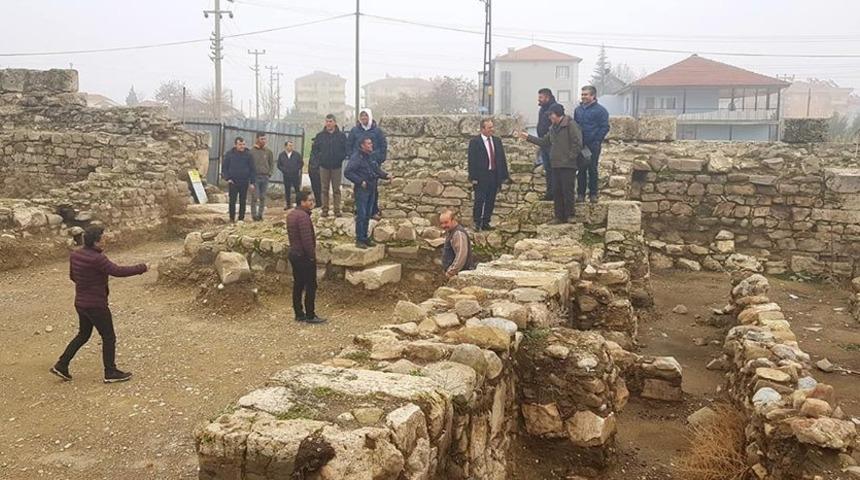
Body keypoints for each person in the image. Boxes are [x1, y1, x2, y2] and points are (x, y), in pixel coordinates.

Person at [51, 226, 149, 383]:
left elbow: (73, 276)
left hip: (81, 303)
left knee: (83, 335)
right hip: (96, 305)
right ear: (95, 241)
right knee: (108, 337)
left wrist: (87, 285)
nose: (106, 240)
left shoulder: (76, 255)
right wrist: (142, 268)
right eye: (103, 238)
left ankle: (61, 364)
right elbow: (117, 271)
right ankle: (110, 372)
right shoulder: (98, 259)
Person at [518, 103, 584, 224]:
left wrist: (570, 157)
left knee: (567, 191)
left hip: (568, 165)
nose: (550, 118)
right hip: (556, 164)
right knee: (556, 191)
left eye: (551, 115)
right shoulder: (553, 128)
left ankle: (570, 215)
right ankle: (559, 216)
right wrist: (528, 137)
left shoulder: (571, 125)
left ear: (557, 114)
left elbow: (578, 143)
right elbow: (544, 141)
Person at [286, 191, 326, 324]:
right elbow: (307, 240)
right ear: (302, 202)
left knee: (298, 285)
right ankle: (310, 314)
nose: (312, 203)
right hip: (303, 256)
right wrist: (312, 257)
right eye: (309, 200)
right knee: (311, 285)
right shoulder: (303, 217)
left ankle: (299, 313)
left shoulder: (292, 214)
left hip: (294, 254)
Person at [344, 137, 390, 249]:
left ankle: (365, 237)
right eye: (368, 143)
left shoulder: (370, 157)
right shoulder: (356, 157)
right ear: (362, 145)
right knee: (362, 214)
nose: (371, 145)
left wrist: (385, 175)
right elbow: (348, 172)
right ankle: (359, 239)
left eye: (371, 143)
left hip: (372, 188)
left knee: (368, 214)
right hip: (362, 190)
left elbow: (376, 169)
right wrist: (360, 181)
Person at [467, 118, 509, 231]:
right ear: (482, 129)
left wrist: (504, 176)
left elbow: (501, 159)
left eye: (492, 127)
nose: (492, 129)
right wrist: (473, 177)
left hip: (494, 175)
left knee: (491, 199)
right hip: (481, 176)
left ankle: (486, 222)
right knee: (479, 200)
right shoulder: (475, 142)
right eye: (489, 127)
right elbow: (472, 161)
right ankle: (477, 222)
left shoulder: (497, 141)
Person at [348, 108, 388, 220]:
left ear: (370, 117)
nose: (363, 118)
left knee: (373, 188)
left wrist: (379, 158)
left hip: (372, 163)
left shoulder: (377, 131)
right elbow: (349, 144)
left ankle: (373, 211)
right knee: (359, 187)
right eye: (362, 116)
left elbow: (383, 146)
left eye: (365, 116)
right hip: (358, 164)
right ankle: (360, 211)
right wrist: (353, 157)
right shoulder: (355, 130)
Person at [574, 85, 610, 203]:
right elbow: (575, 126)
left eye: (586, 94)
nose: (583, 97)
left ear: (593, 96)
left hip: (593, 145)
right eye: (582, 94)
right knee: (581, 170)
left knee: (592, 169)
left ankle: (593, 194)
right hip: (581, 145)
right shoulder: (578, 110)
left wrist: (597, 140)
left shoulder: (601, 110)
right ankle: (580, 194)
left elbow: (605, 127)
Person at [310, 114, 348, 217]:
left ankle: (337, 210)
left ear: (335, 122)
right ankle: (325, 209)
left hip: (336, 166)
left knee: (336, 189)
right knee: (324, 189)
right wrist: (320, 159)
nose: (328, 123)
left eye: (330, 121)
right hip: (324, 166)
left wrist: (340, 157)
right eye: (327, 121)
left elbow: (346, 149)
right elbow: (315, 150)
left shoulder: (341, 136)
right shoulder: (320, 136)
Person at [221, 136, 257, 223]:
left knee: (243, 200)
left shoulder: (248, 155)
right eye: (240, 144)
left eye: (243, 144)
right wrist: (227, 178)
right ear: (235, 145)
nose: (242, 146)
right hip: (233, 181)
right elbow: (224, 168)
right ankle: (232, 218)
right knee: (232, 201)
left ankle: (241, 218)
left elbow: (253, 169)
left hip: (244, 181)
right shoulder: (230, 154)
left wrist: (252, 182)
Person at [536, 88, 559, 200]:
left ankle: (555, 194)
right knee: (548, 169)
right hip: (543, 144)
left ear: (547, 97)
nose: (539, 99)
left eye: (541, 97)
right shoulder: (542, 109)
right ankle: (550, 193)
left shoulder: (554, 109)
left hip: (552, 145)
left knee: (554, 170)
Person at [439, 209, 475, 278]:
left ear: (453, 220)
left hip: (460, 276)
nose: (443, 225)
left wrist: (450, 273)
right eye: (441, 223)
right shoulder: (451, 232)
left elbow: (461, 256)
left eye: (446, 222)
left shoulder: (458, 234)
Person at [249, 132, 274, 221]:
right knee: (255, 197)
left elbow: (271, 163)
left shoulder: (268, 151)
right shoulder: (251, 151)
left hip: (265, 177)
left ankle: (260, 214)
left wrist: (269, 173)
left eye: (264, 139)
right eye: (261, 139)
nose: (263, 141)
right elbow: (249, 165)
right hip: (255, 177)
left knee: (263, 197)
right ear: (257, 139)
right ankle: (254, 215)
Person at [277, 140, 303, 209]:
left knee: (297, 190)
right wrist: (284, 170)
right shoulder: (281, 155)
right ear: (286, 146)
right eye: (289, 145)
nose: (291, 147)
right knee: (287, 190)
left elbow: (301, 163)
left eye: (292, 146)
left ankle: (298, 204)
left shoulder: (297, 154)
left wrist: (296, 169)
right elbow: (279, 165)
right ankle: (288, 204)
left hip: (295, 175)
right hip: (286, 176)